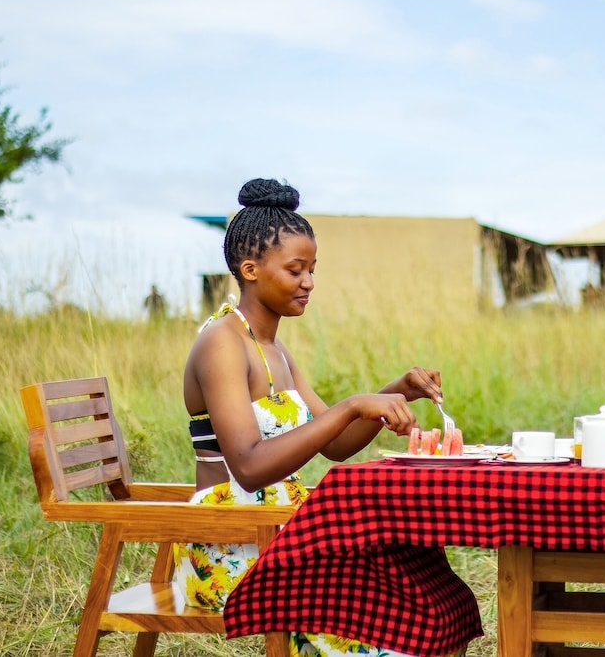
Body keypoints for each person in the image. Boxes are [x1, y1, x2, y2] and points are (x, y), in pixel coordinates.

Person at [173, 178, 470, 656]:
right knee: (381, 614)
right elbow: (248, 469)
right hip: (232, 546)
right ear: (250, 269)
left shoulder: (274, 347)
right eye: (296, 270)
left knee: (418, 582)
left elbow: (332, 445)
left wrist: (394, 392)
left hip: (278, 528)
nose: (309, 282)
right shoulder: (221, 344)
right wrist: (354, 404)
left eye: (312, 270)